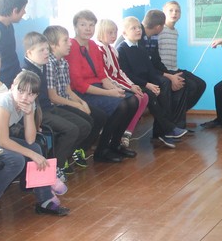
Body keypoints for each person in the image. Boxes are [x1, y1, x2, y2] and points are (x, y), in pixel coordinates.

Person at [0, 70, 70, 219]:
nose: (25, 97)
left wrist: (29, 114)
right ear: (12, 87)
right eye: (21, 91)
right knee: (16, 160)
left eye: (30, 94)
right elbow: (3, 141)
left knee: (36, 148)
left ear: (36, 95)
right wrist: (33, 155)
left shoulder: (29, 105)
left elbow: (31, 140)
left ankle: (45, 200)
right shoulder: (5, 101)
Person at [64, 10, 137, 163]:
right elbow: (79, 84)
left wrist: (113, 89)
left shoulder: (92, 45)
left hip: (97, 87)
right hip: (81, 92)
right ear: (75, 27)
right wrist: (110, 94)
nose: (88, 28)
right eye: (83, 25)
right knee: (121, 106)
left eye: (91, 25)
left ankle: (115, 144)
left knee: (133, 101)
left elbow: (102, 75)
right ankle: (102, 150)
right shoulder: (72, 46)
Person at [21, 31, 97, 175]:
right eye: (41, 50)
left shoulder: (42, 65)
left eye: (47, 49)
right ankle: (56, 167)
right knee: (71, 130)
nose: (46, 53)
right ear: (29, 53)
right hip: (39, 113)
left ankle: (62, 156)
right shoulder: (27, 73)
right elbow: (27, 104)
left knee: (85, 125)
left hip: (48, 108)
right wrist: (35, 121)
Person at [117, 16, 188, 148]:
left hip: (145, 82)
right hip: (133, 84)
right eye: (133, 28)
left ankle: (163, 133)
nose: (138, 30)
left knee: (164, 87)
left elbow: (150, 70)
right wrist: (147, 85)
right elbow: (127, 75)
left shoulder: (141, 48)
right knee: (151, 95)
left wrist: (157, 83)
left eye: (139, 27)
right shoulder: (122, 49)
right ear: (124, 33)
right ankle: (169, 129)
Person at [43, 25, 101, 166]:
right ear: (53, 45)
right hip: (56, 105)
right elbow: (53, 97)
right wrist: (77, 105)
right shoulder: (49, 64)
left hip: (65, 101)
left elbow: (68, 91)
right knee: (82, 124)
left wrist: (82, 103)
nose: (70, 43)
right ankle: (61, 159)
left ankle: (75, 150)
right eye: (65, 41)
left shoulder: (63, 62)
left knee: (98, 117)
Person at [95, 19, 147, 151]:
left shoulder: (112, 50)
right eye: (110, 32)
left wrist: (131, 85)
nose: (114, 35)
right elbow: (106, 77)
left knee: (137, 98)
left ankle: (118, 140)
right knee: (128, 102)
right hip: (105, 87)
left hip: (116, 84)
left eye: (115, 32)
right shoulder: (99, 50)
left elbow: (119, 72)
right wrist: (128, 87)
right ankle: (109, 142)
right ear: (101, 32)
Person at [140, 9, 194, 128]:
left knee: (180, 81)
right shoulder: (138, 38)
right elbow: (145, 67)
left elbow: (156, 61)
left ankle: (175, 124)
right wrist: (169, 76)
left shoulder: (153, 37)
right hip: (140, 76)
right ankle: (164, 129)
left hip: (151, 72)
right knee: (165, 83)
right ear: (159, 27)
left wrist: (171, 75)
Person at [158, 0, 207, 114]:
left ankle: (178, 113)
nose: (174, 13)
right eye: (171, 10)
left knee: (200, 84)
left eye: (177, 11)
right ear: (163, 12)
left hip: (174, 69)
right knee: (191, 86)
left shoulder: (175, 31)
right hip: (165, 71)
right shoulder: (160, 30)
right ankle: (176, 115)